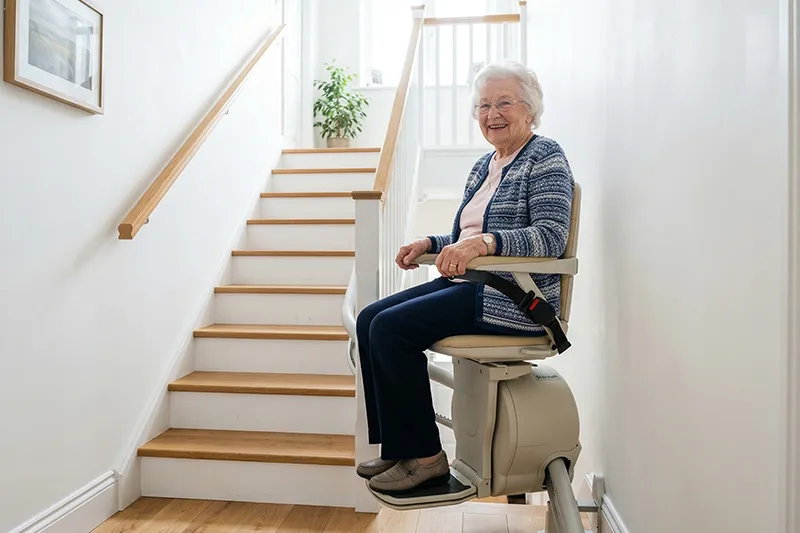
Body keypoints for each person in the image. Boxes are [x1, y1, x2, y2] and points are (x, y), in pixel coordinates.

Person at [355, 61, 575, 495]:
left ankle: (427, 459)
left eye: (504, 103)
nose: (492, 113)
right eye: (483, 105)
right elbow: (466, 236)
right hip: (472, 283)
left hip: (513, 297)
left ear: (530, 110)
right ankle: (400, 447)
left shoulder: (545, 156)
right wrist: (430, 242)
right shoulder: (485, 165)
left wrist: (483, 245)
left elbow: (550, 236)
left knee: (391, 329)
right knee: (368, 319)